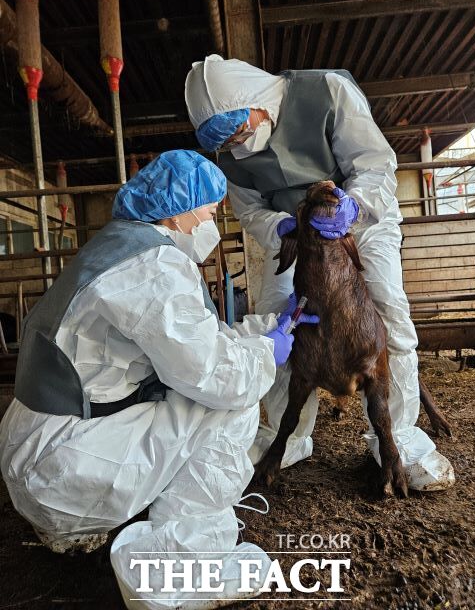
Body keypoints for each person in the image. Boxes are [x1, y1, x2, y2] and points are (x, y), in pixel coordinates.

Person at [0, 149, 319, 609]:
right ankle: (182, 566)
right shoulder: (154, 267)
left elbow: (195, 340)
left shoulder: (120, 248)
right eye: (210, 213)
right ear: (180, 212)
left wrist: (267, 328)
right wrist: (268, 354)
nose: (211, 225)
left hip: (40, 448)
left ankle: (70, 530)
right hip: (62, 465)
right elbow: (216, 375)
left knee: (199, 390)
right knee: (231, 406)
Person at [185, 55, 455, 492]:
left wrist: (353, 206)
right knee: (277, 315)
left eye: (238, 128)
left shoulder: (327, 91)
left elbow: (374, 164)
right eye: (224, 141)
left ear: (254, 100)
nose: (236, 144)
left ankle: (397, 438)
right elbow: (252, 212)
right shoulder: (232, 158)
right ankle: (286, 436)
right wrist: (285, 227)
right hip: (294, 236)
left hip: (358, 219)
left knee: (388, 310)